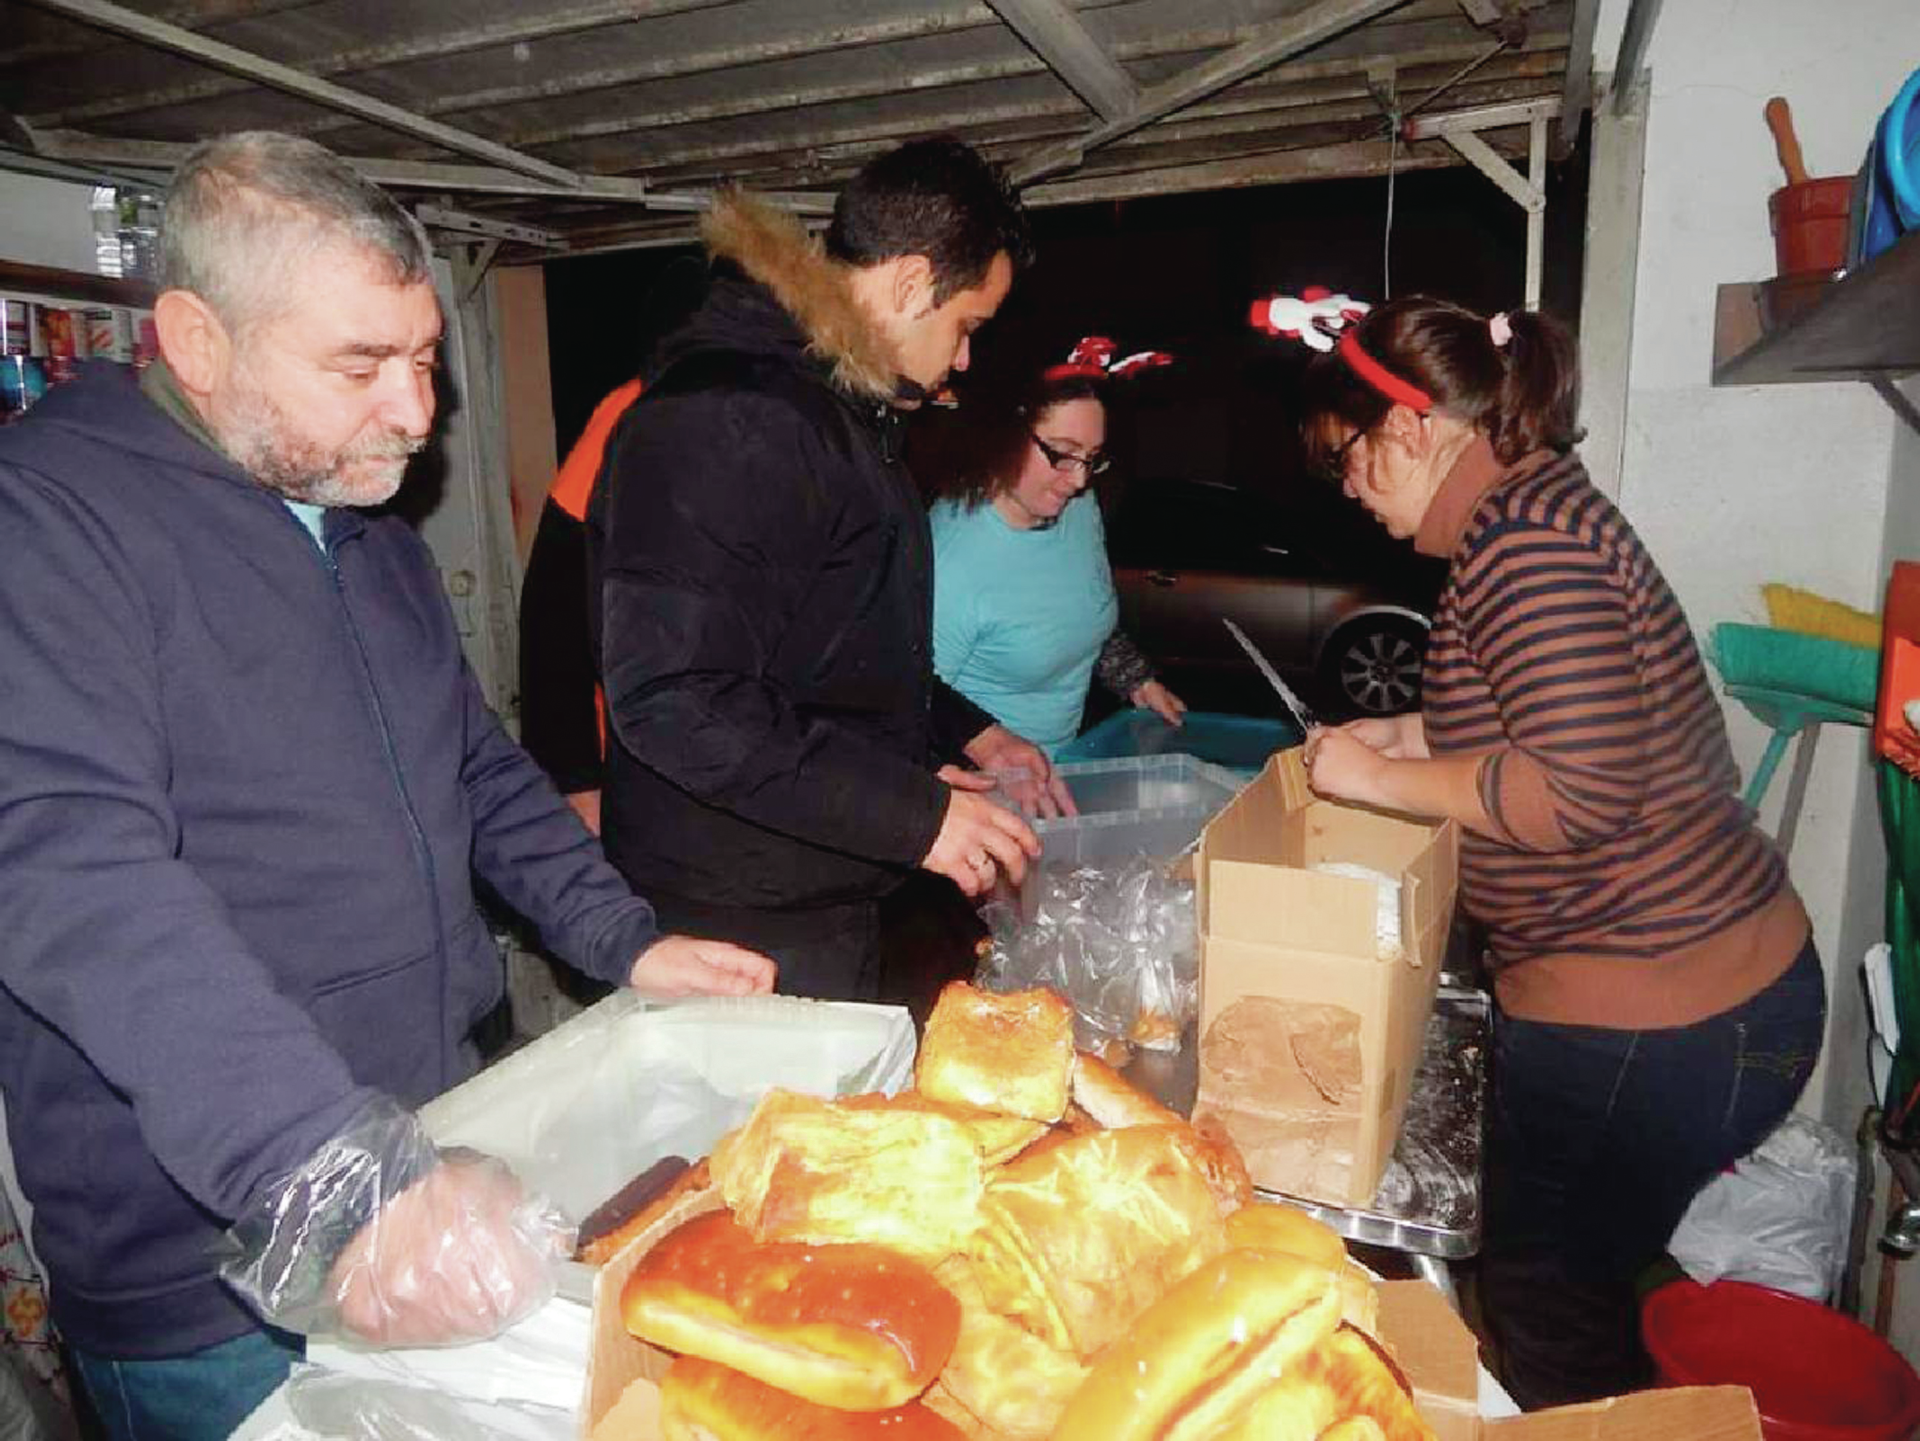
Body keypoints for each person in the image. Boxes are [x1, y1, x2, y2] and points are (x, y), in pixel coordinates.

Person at [0, 131, 774, 1440]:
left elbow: (472, 764)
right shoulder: (49, 523)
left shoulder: (369, 533)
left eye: (422, 358)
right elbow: (70, 874)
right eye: (359, 366)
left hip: (434, 1151)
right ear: (196, 343)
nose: (418, 415)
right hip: (215, 1263)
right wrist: (332, 1167)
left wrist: (624, 941)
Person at [1292, 295, 1825, 1409]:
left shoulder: (1523, 545)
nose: (1345, 486)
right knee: (1569, 1273)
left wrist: (1383, 781)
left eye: (1348, 458)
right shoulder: (1527, 514)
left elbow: (1577, 788)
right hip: (1696, 999)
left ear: (1414, 426)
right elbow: (1562, 719)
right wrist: (1410, 732)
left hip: (1660, 1013)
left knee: (1545, 1296)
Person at [589, 137, 1071, 1003]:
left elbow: (835, 654)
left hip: (809, 878)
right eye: (967, 326)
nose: (964, 359)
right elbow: (678, 698)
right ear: (909, 283)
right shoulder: (730, 418)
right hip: (729, 914)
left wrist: (949, 743)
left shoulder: (838, 413)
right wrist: (914, 815)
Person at [926, 346, 1186, 756]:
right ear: (1005, 436)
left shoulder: (1078, 509)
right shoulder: (949, 559)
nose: (1079, 479)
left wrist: (1137, 681)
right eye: (1063, 454)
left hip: (1066, 764)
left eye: (1092, 458)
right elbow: (906, 702)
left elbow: (1074, 614)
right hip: (982, 790)